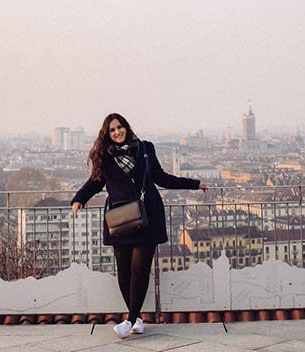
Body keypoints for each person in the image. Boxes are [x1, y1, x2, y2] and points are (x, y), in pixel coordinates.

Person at [71, 113, 206, 338]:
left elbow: (162, 178)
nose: (117, 132)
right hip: (120, 219)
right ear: (107, 134)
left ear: (126, 127)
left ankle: (130, 320)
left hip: (147, 217)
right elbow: (95, 182)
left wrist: (194, 184)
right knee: (124, 272)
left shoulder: (145, 148)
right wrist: (79, 199)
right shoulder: (103, 156)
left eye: (120, 127)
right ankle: (136, 319)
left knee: (140, 270)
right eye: (112, 130)